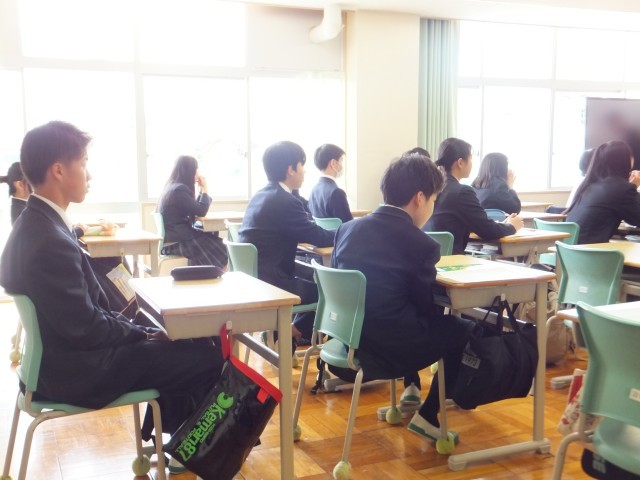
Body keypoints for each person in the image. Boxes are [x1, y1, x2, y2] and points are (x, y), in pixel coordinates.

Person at [0, 122, 224, 470]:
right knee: (205, 356)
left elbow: (82, 318)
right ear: (58, 170)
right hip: (76, 371)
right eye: (84, 163)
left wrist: (141, 331)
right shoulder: (49, 240)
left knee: (184, 343)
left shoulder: (36, 223)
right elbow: (86, 327)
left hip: (59, 361)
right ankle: (195, 452)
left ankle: (175, 440)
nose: (89, 174)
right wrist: (143, 333)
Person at [331, 152, 479, 443]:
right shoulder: (421, 244)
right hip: (388, 348)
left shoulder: (346, 230)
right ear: (419, 198)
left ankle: (412, 390)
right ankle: (428, 416)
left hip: (350, 339)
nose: (432, 207)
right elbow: (424, 306)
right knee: (461, 329)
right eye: (434, 200)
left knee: (406, 314)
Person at [239, 141, 334, 341]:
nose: (304, 171)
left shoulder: (261, 195)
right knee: (332, 294)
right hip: (272, 284)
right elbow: (317, 236)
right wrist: (347, 231)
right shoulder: (284, 202)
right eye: (302, 165)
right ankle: (287, 333)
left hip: (254, 278)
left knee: (312, 275)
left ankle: (285, 336)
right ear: (291, 169)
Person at [424, 138, 523, 254]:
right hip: (453, 259)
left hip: (429, 258)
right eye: (471, 158)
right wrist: (512, 226)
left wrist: (502, 225)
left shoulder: (431, 187)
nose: (472, 163)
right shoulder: (462, 192)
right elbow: (488, 231)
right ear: (460, 163)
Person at [157, 155, 228, 269]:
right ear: (188, 171)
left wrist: (201, 192)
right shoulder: (179, 190)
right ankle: (211, 274)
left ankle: (203, 274)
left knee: (212, 240)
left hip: (174, 241)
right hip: (177, 243)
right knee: (224, 247)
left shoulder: (172, 187)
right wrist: (205, 189)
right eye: (196, 169)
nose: (198, 173)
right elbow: (201, 211)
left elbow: (196, 209)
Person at [566, 140, 640, 244]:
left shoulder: (589, 184)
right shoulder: (622, 188)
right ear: (625, 160)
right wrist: (634, 186)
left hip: (568, 250)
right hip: (591, 250)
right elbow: (636, 219)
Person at [308, 143, 353, 223]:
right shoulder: (336, 192)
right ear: (333, 163)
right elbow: (348, 224)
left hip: (321, 231)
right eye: (341, 161)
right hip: (338, 231)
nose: (342, 166)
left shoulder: (314, 190)